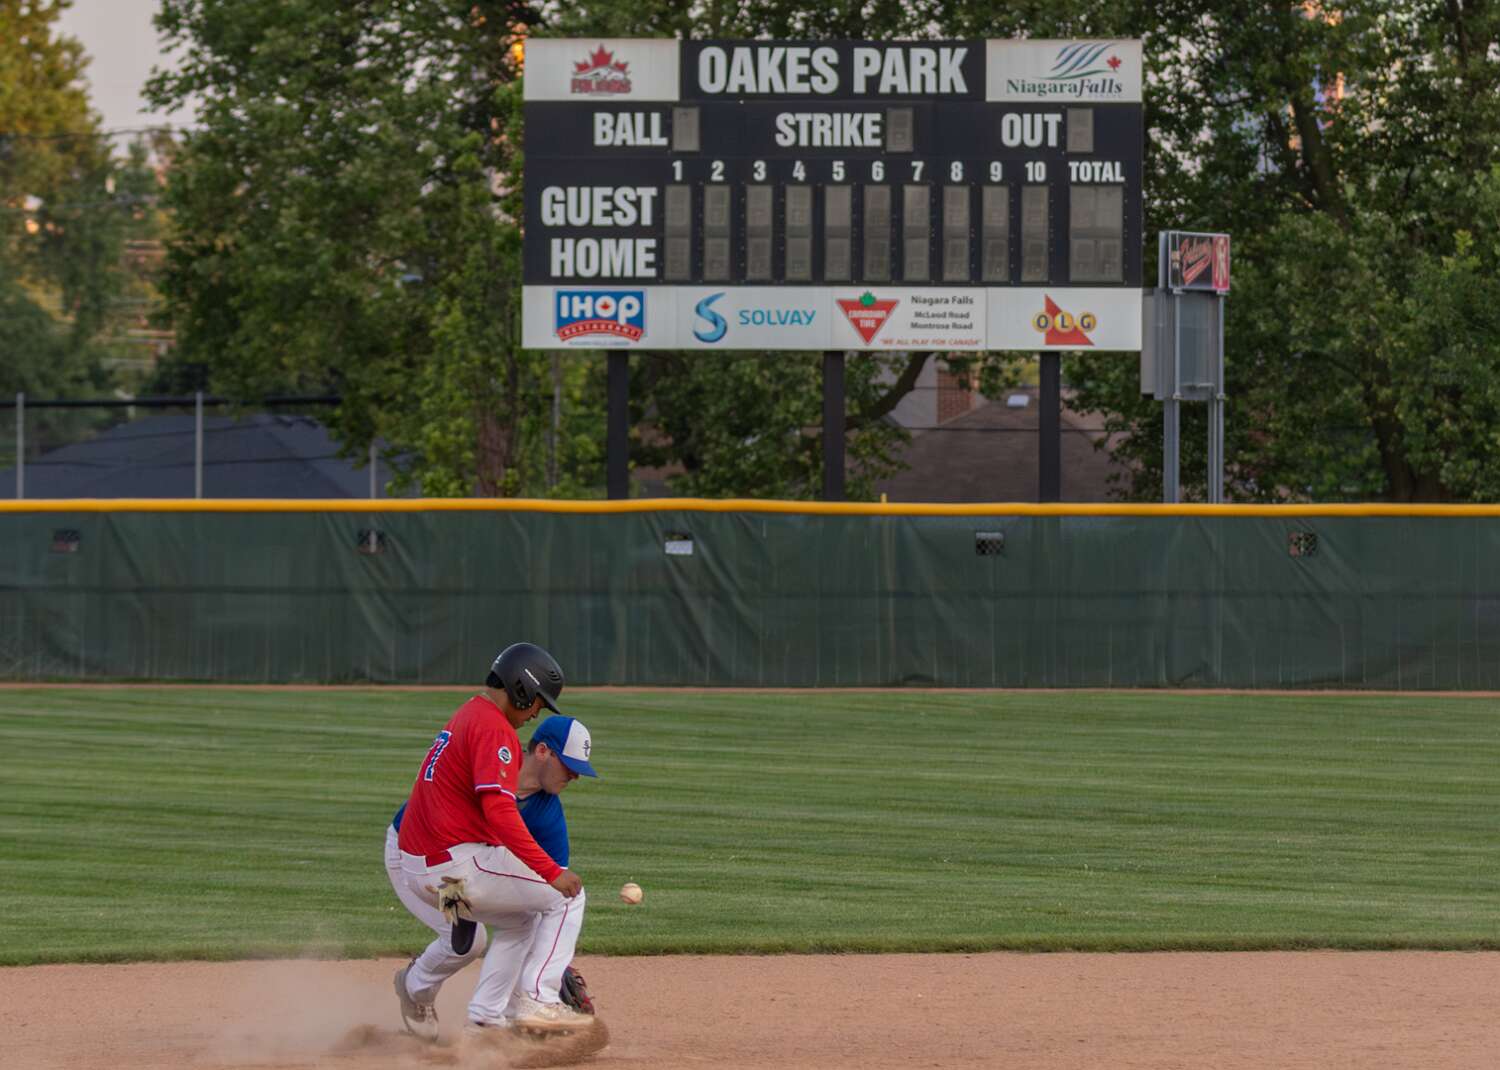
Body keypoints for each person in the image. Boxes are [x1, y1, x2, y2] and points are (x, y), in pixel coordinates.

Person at [384, 642, 600, 1041]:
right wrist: (551, 874)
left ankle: (459, 1009)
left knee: (482, 936)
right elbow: (500, 813)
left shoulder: (471, 714)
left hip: (441, 872)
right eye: (538, 703)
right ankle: (538, 998)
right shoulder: (493, 729)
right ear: (522, 689)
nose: (535, 713)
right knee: (568, 895)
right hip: (436, 863)